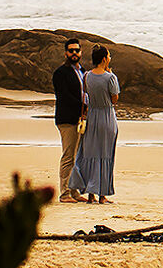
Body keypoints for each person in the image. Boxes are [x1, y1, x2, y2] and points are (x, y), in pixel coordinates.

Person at [70, 45, 121, 203]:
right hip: (106, 117)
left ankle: (90, 193)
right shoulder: (110, 77)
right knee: (105, 155)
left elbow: (86, 95)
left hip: (91, 116)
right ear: (104, 59)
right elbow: (114, 99)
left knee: (90, 154)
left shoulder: (86, 76)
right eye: (109, 56)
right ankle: (102, 195)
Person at [52, 37, 86, 202]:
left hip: (80, 119)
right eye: (71, 50)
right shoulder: (60, 73)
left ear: (81, 52)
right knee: (68, 156)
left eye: (77, 50)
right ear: (66, 53)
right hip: (67, 119)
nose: (74, 53)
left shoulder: (82, 71)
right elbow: (63, 96)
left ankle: (74, 191)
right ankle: (65, 193)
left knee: (77, 155)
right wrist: (83, 106)